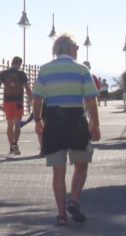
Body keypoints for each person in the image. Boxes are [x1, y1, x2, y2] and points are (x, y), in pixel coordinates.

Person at [32, 32, 102, 226]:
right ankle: (74, 200)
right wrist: (95, 124)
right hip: (76, 121)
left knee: (58, 170)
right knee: (82, 163)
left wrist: (38, 119)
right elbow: (90, 99)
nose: (78, 50)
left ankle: (61, 215)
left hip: (53, 122)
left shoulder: (45, 70)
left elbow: (37, 97)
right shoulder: (81, 70)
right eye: (77, 47)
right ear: (70, 49)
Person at [0, 56, 31, 156]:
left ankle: (11, 147)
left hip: (7, 102)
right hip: (18, 102)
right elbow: (27, 88)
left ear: (11, 62)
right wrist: (32, 100)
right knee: (17, 124)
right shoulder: (21, 74)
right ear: (19, 64)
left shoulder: (4, 73)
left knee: (10, 125)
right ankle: (15, 143)